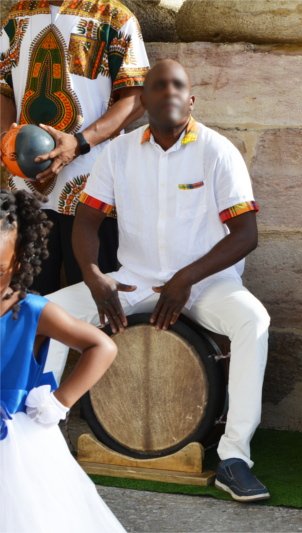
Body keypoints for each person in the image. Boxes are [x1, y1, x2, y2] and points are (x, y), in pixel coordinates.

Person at [44, 59, 272, 502]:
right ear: (144, 100)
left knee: (254, 323)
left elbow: (246, 235)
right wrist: (93, 276)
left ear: (190, 99)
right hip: (135, 281)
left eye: (177, 86)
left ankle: (234, 457)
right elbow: (87, 222)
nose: (168, 92)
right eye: (158, 86)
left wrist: (186, 278)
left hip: (207, 284)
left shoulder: (217, 150)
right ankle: (46, 434)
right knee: (51, 312)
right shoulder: (119, 151)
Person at [0, 0, 149, 294]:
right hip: (23, 186)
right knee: (23, 295)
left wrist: (79, 143)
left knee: (95, 297)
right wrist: (6, 135)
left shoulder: (115, 18)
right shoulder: (18, 17)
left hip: (92, 186)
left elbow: (135, 97)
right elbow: (3, 89)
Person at [0, 189, 123, 532]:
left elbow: (102, 347)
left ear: (20, 260)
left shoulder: (31, 312)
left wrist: (59, 401)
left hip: (13, 446)